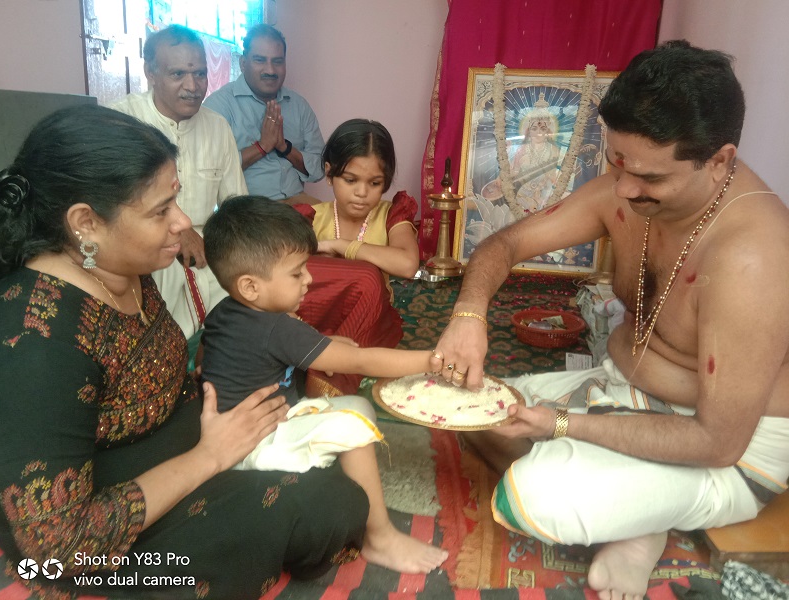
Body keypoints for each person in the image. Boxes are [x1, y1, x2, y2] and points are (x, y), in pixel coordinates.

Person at [432, 40, 789, 600]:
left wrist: (561, 425)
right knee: (468, 407)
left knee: (535, 497)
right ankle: (635, 513)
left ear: (718, 161)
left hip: (732, 453)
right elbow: (505, 242)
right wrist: (469, 314)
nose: (623, 189)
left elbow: (719, 440)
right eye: (617, 163)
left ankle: (639, 519)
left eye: (647, 177)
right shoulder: (633, 192)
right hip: (623, 390)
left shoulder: (753, 255)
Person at [0, 105, 371, 599]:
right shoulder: (35, 340)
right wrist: (211, 457)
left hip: (187, 447)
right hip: (104, 529)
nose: (183, 222)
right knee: (288, 522)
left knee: (336, 496)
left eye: (176, 201)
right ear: (85, 222)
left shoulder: (119, 270)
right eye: (160, 211)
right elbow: (60, 549)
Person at [200, 196, 448, 574]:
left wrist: (327, 343)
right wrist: (433, 361)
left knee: (357, 408)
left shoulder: (229, 311)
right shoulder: (275, 328)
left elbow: (267, 347)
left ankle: (335, 473)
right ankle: (378, 538)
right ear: (250, 286)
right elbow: (361, 361)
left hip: (243, 431)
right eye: (297, 273)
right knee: (352, 425)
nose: (310, 279)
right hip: (252, 448)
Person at [109, 24, 247, 338]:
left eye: (200, 73)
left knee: (243, 309)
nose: (193, 86)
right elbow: (111, 208)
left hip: (206, 248)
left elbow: (235, 206)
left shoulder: (217, 126)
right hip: (142, 245)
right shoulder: (120, 122)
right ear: (150, 73)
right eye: (178, 75)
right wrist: (174, 231)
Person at [294, 119, 419, 395]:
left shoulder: (390, 215)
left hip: (368, 318)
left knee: (368, 277)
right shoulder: (312, 216)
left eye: (375, 183)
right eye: (350, 180)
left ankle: (326, 371)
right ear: (329, 174)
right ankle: (315, 348)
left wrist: (342, 245)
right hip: (317, 315)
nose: (362, 193)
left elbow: (408, 264)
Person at [204, 24, 324, 205]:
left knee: (338, 225)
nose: (270, 70)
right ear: (243, 64)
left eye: (277, 61)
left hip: (297, 201)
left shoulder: (298, 105)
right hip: (247, 208)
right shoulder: (219, 106)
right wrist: (262, 146)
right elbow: (211, 171)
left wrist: (285, 148)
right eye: (260, 60)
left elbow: (319, 170)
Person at [480, 93, 564, 213]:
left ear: (548, 131)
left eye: (542, 129)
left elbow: (554, 176)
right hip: (523, 197)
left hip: (545, 196)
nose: (538, 133)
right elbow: (513, 172)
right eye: (534, 129)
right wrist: (506, 155)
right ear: (529, 131)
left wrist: (554, 187)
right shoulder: (521, 149)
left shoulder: (554, 150)